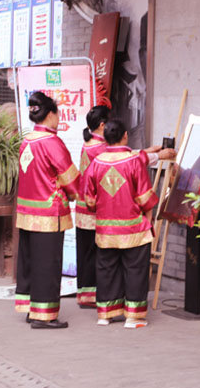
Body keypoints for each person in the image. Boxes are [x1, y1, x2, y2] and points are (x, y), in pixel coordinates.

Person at [83, 119, 158, 328]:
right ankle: (133, 316)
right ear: (125, 135)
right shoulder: (133, 161)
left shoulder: (97, 162)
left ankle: (105, 314)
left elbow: (89, 200)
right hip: (132, 227)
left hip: (106, 228)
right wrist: (150, 213)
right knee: (135, 269)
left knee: (107, 269)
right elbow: (144, 197)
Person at [15, 91, 80, 329]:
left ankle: (32, 309)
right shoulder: (53, 143)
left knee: (30, 261)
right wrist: (75, 194)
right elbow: (70, 179)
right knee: (48, 264)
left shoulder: (27, 141)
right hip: (49, 212)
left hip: (26, 211)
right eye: (57, 114)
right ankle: (45, 315)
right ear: (51, 114)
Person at [74, 105, 110, 308]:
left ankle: (84, 295)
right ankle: (92, 296)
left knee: (85, 252)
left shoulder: (88, 143)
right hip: (93, 207)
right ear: (102, 124)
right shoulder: (100, 148)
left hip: (82, 205)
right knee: (95, 253)